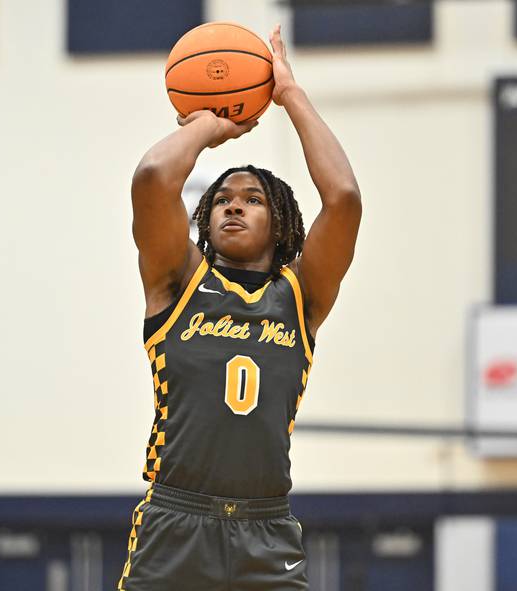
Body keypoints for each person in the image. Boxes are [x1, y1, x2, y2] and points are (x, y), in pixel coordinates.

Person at [119, 24, 361, 591]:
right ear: (204, 219)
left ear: (280, 224)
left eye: (252, 199)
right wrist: (208, 124)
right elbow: (153, 177)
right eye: (222, 200)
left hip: (267, 530)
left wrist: (290, 95)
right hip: (175, 519)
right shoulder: (176, 280)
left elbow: (344, 199)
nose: (233, 207)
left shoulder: (301, 295)